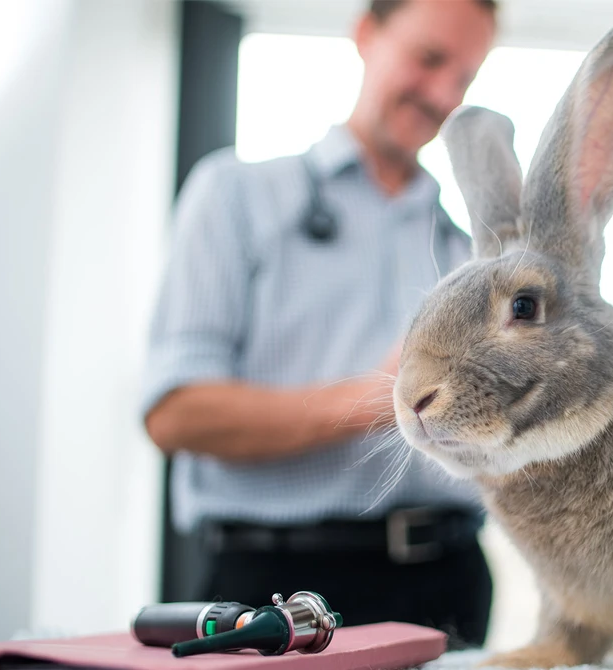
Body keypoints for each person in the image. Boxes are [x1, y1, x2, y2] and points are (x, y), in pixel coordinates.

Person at [140, 0, 498, 648]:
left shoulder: (472, 252)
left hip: (452, 585)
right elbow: (174, 413)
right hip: (275, 586)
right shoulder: (235, 198)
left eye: (465, 78)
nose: (444, 94)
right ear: (365, 35)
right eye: (428, 59)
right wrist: (380, 397)